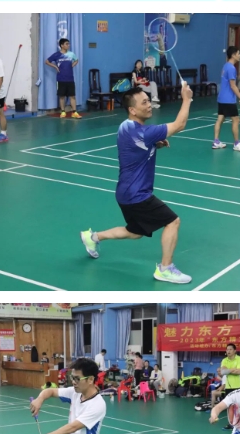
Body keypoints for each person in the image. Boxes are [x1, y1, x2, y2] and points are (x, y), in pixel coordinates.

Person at [79, 82, 195, 284]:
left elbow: (135, 146)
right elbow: (180, 124)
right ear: (132, 110)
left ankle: (93, 237)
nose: (149, 105)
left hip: (125, 193)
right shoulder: (144, 132)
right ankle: (165, 269)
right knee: (172, 221)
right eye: (144, 102)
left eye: (149, 100)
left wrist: (154, 145)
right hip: (137, 194)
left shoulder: (126, 127)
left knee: (135, 233)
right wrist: (186, 99)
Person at [212, 45, 240, 152]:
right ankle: (237, 143)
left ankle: (216, 141)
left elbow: (235, 81)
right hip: (228, 99)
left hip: (221, 98)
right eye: (238, 53)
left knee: (220, 119)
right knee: (236, 120)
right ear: (233, 55)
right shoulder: (231, 68)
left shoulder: (226, 66)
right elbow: (233, 86)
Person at [45, 37, 80, 118]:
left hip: (70, 79)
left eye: (68, 44)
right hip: (60, 79)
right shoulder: (56, 55)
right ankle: (63, 112)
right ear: (62, 45)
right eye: (67, 44)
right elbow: (47, 61)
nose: (68, 45)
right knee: (62, 96)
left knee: (72, 96)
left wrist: (72, 65)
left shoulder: (71, 54)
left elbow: (76, 60)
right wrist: (55, 67)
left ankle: (74, 112)